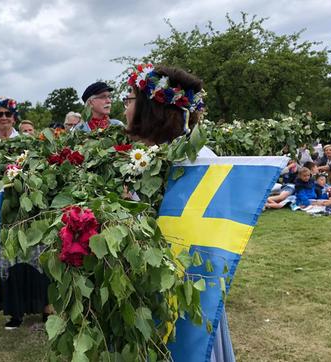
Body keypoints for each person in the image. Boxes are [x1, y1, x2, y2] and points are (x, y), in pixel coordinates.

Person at [123, 64, 233, 362]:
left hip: (183, 288)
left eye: (130, 98)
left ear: (151, 107)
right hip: (146, 289)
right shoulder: (138, 157)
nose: (125, 106)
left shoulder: (197, 161)